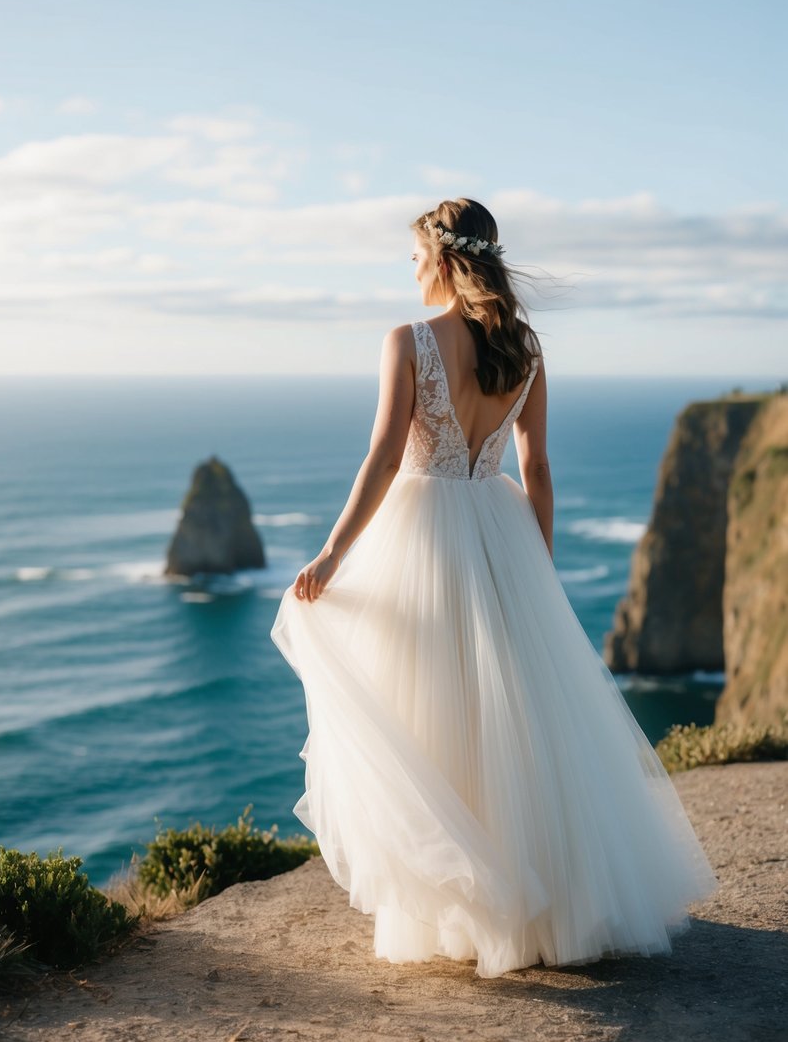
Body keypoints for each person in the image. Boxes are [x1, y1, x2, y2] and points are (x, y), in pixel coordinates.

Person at [270, 196, 718, 978]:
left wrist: (334, 554)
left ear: (442, 258)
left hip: (423, 532)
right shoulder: (525, 347)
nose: (410, 269)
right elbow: (536, 466)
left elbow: (382, 459)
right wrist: (536, 565)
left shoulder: (408, 340)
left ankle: (469, 910)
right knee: (518, 719)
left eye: (413, 255)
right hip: (501, 531)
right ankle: (545, 908)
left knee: (429, 711)